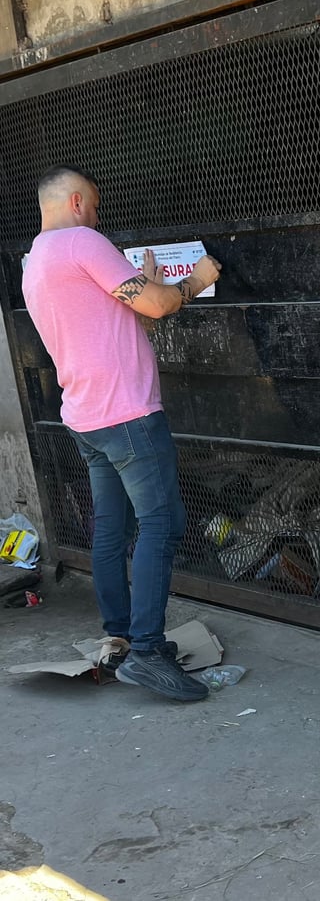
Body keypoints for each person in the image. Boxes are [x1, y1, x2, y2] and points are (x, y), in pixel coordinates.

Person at [22, 164, 222, 702]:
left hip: (86, 416)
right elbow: (157, 304)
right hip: (127, 413)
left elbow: (127, 317)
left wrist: (152, 283)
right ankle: (149, 653)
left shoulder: (36, 262)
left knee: (111, 529)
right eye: (95, 206)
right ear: (78, 202)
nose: (97, 217)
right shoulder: (82, 242)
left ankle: (122, 639)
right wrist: (197, 279)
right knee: (162, 523)